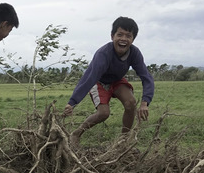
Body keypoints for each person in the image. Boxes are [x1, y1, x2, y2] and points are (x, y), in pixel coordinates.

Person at [62, 16, 155, 145]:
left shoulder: (134, 53)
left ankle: (123, 141)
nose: (123, 39)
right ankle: (77, 133)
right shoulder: (103, 54)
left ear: (133, 39)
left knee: (131, 103)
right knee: (103, 113)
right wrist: (72, 102)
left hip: (117, 80)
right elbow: (89, 78)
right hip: (99, 81)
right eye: (120, 34)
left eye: (128, 36)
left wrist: (145, 103)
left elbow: (146, 77)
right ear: (112, 36)